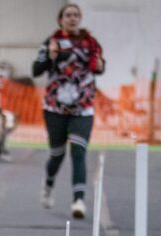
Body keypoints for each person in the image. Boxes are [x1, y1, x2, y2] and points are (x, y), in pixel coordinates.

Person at [33, 3, 104, 219]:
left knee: (78, 151)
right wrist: (51, 57)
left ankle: (79, 200)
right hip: (55, 107)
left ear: (80, 18)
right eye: (68, 15)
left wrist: (100, 65)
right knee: (57, 153)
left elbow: (99, 68)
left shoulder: (90, 44)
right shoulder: (51, 43)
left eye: (76, 15)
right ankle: (48, 185)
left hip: (82, 107)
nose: (72, 18)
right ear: (60, 20)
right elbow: (36, 70)